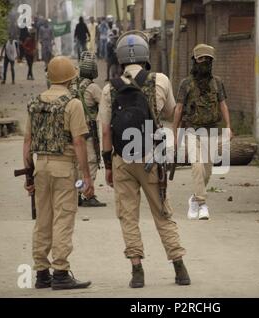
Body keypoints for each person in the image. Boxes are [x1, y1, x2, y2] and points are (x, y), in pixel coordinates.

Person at [99, 30, 191, 288]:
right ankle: (179, 267)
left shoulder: (110, 89)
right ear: (145, 54)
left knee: (128, 216)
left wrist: (108, 165)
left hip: (122, 160)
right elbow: (174, 112)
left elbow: (106, 131)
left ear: (119, 58)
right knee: (163, 213)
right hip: (152, 157)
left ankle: (137, 270)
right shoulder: (160, 80)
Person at [23, 56, 93, 290]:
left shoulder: (35, 102)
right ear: (71, 78)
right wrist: (86, 175)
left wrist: (28, 175)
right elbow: (79, 142)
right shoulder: (73, 103)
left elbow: (27, 141)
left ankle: (42, 273)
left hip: (40, 166)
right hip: (64, 168)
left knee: (43, 219)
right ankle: (61, 272)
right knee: (63, 218)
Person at [173, 44, 233, 221]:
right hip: (192, 130)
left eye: (208, 59)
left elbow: (223, 105)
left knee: (206, 171)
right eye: (201, 59)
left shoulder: (217, 82)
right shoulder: (186, 84)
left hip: (212, 131)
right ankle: (202, 203)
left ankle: (194, 198)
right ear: (194, 60)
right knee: (197, 165)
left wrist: (229, 126)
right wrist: (175, 133)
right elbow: (178, 109)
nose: (204, 62)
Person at [69, 51, 107, 207]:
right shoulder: (93, 88)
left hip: (72, 131)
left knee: (77, 163)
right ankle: (88, 195)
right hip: (88, 132)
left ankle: (77, 192)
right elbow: (105, 106)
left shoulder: (72, 85)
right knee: (90, 162)